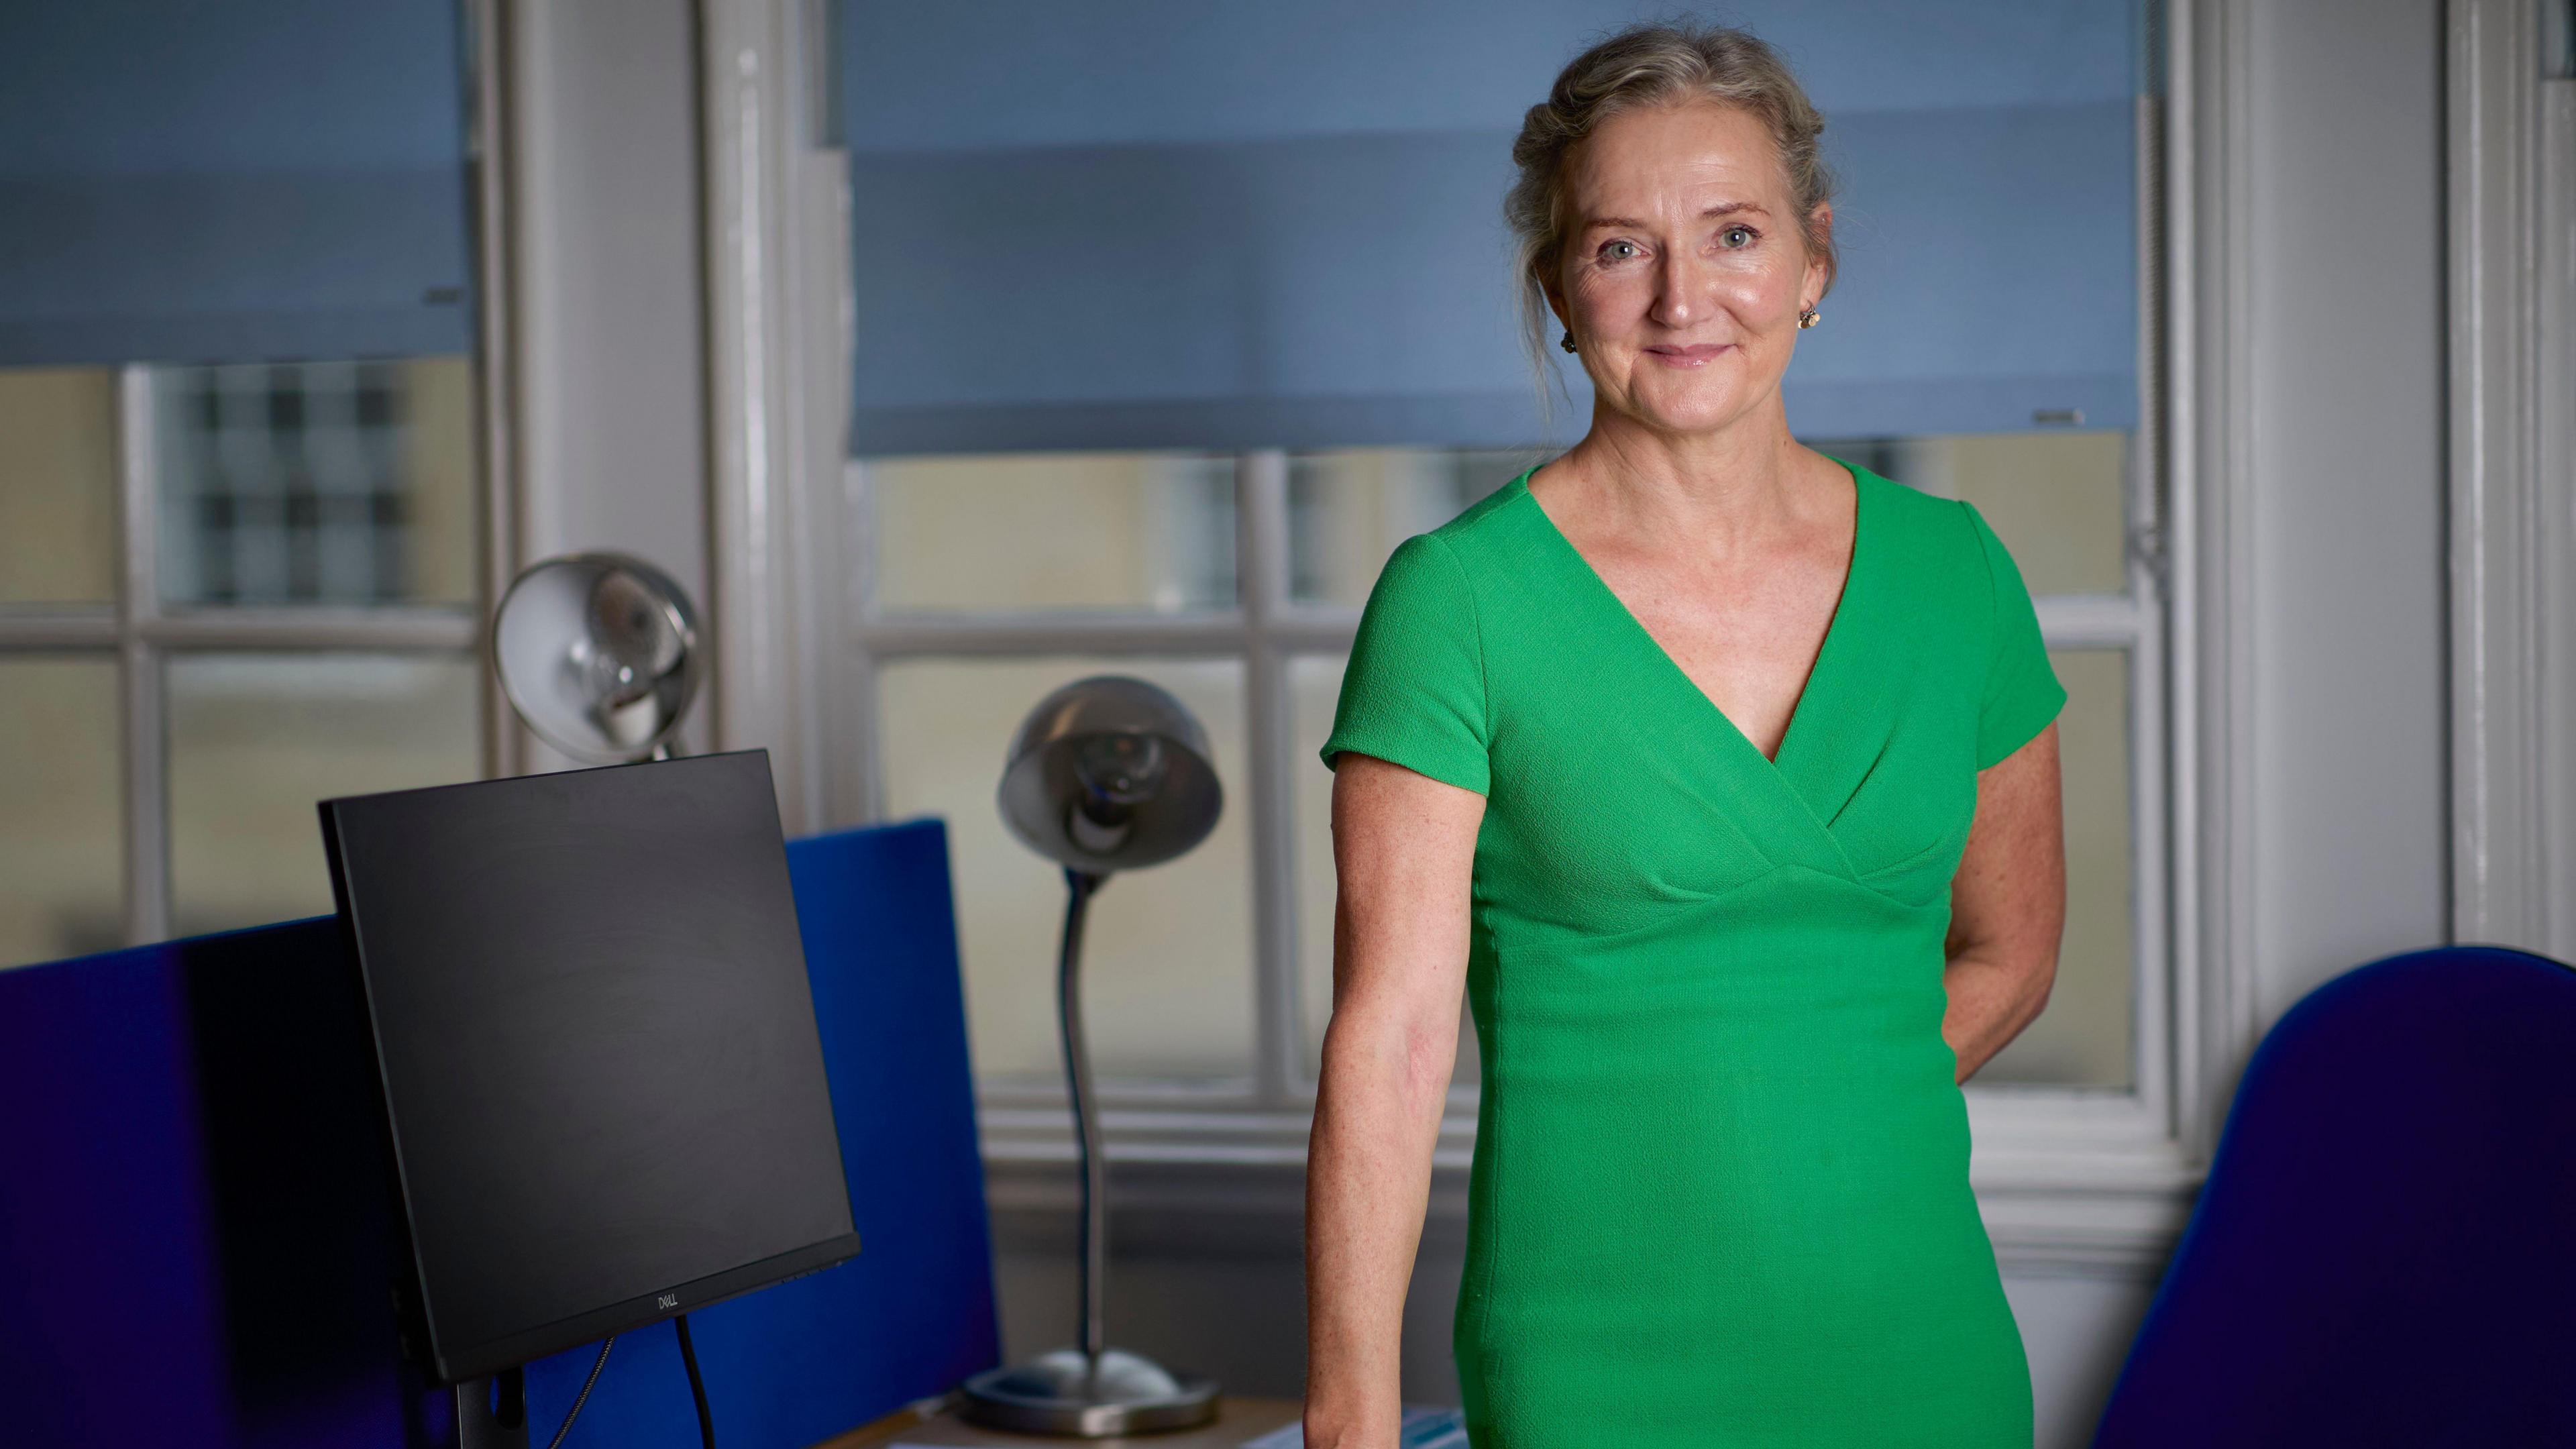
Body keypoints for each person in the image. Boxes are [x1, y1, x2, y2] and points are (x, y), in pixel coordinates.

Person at [1301, 20, 2065, 1448]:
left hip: (1919, 1351)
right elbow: (1391, 1047)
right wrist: (1346, 1421)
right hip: (1595, 1360)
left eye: (1730, 234)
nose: (1680, 299)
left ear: (1812, 260)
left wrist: (1807, 1104)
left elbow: (2013, 953)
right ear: (1557, 287)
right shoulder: (1456, 602)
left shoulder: (1958, 575)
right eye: (1617, 248)